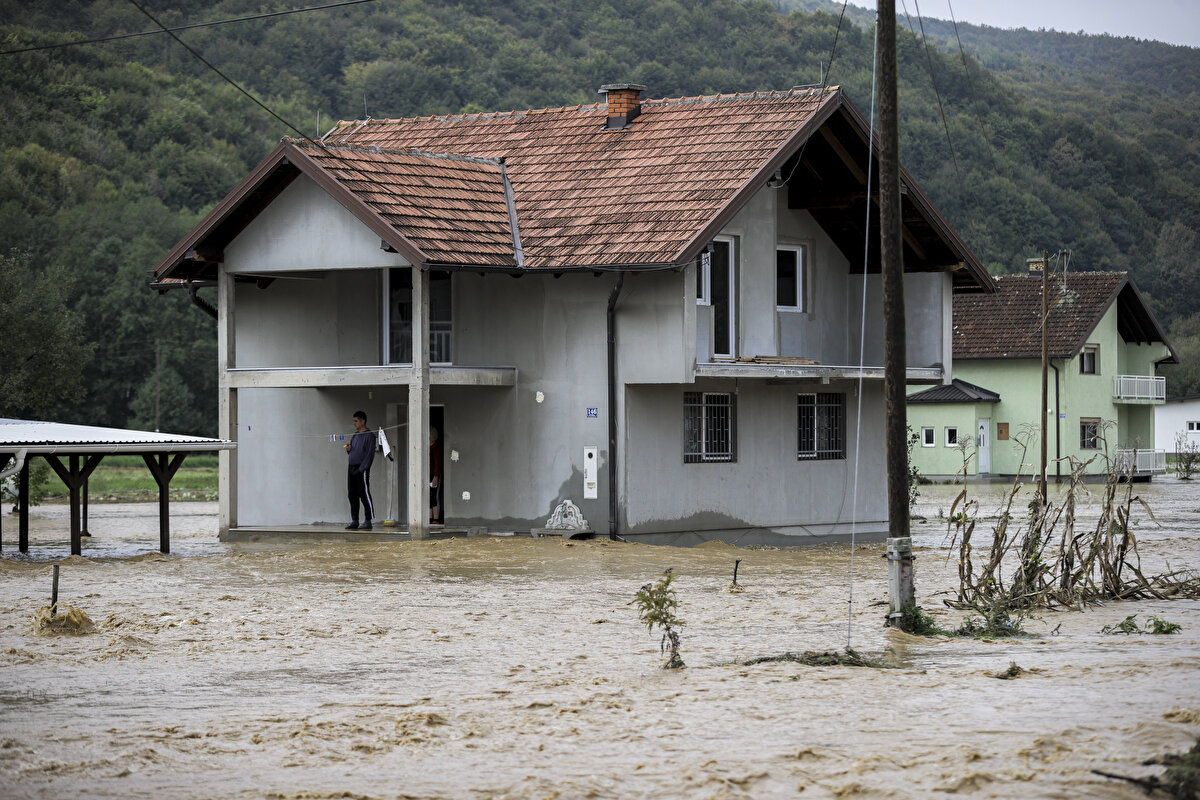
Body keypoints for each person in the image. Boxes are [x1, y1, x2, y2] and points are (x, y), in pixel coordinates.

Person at [344, 410, 376, 530]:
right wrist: (349, 449)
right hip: (351, 467)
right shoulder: (355, 435)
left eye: (356, 421)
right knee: (352, 494)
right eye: (354, 421)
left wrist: (362, 469)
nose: (354, 423)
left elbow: (369, 455)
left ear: (363, 421)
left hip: (361, 469)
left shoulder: (370, 436)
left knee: (364, 493)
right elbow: (353, 452)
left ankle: (368, 520)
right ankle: (354, 520)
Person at [430, 427, 443, 525]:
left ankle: (436, 518)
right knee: (428, 497)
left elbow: (438, 463)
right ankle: (429, 518)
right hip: (427, 475)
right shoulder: (427, 447)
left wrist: (436, 476)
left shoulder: (436, 448)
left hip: (434, 476)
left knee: (435, 496)